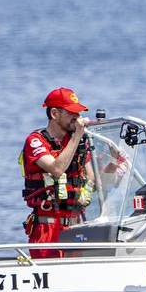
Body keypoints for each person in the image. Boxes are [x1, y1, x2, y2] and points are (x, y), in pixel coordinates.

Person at [20, 87, 94, 258]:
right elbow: (56, 169)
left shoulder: (79, 142)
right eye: (71, 114)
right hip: (47, 229)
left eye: (79, 113)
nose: (77, 118)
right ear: (54, 114)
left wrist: (114, 167)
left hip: (76, 227)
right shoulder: (35, 141)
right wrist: (76, 137)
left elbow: (92, 179)